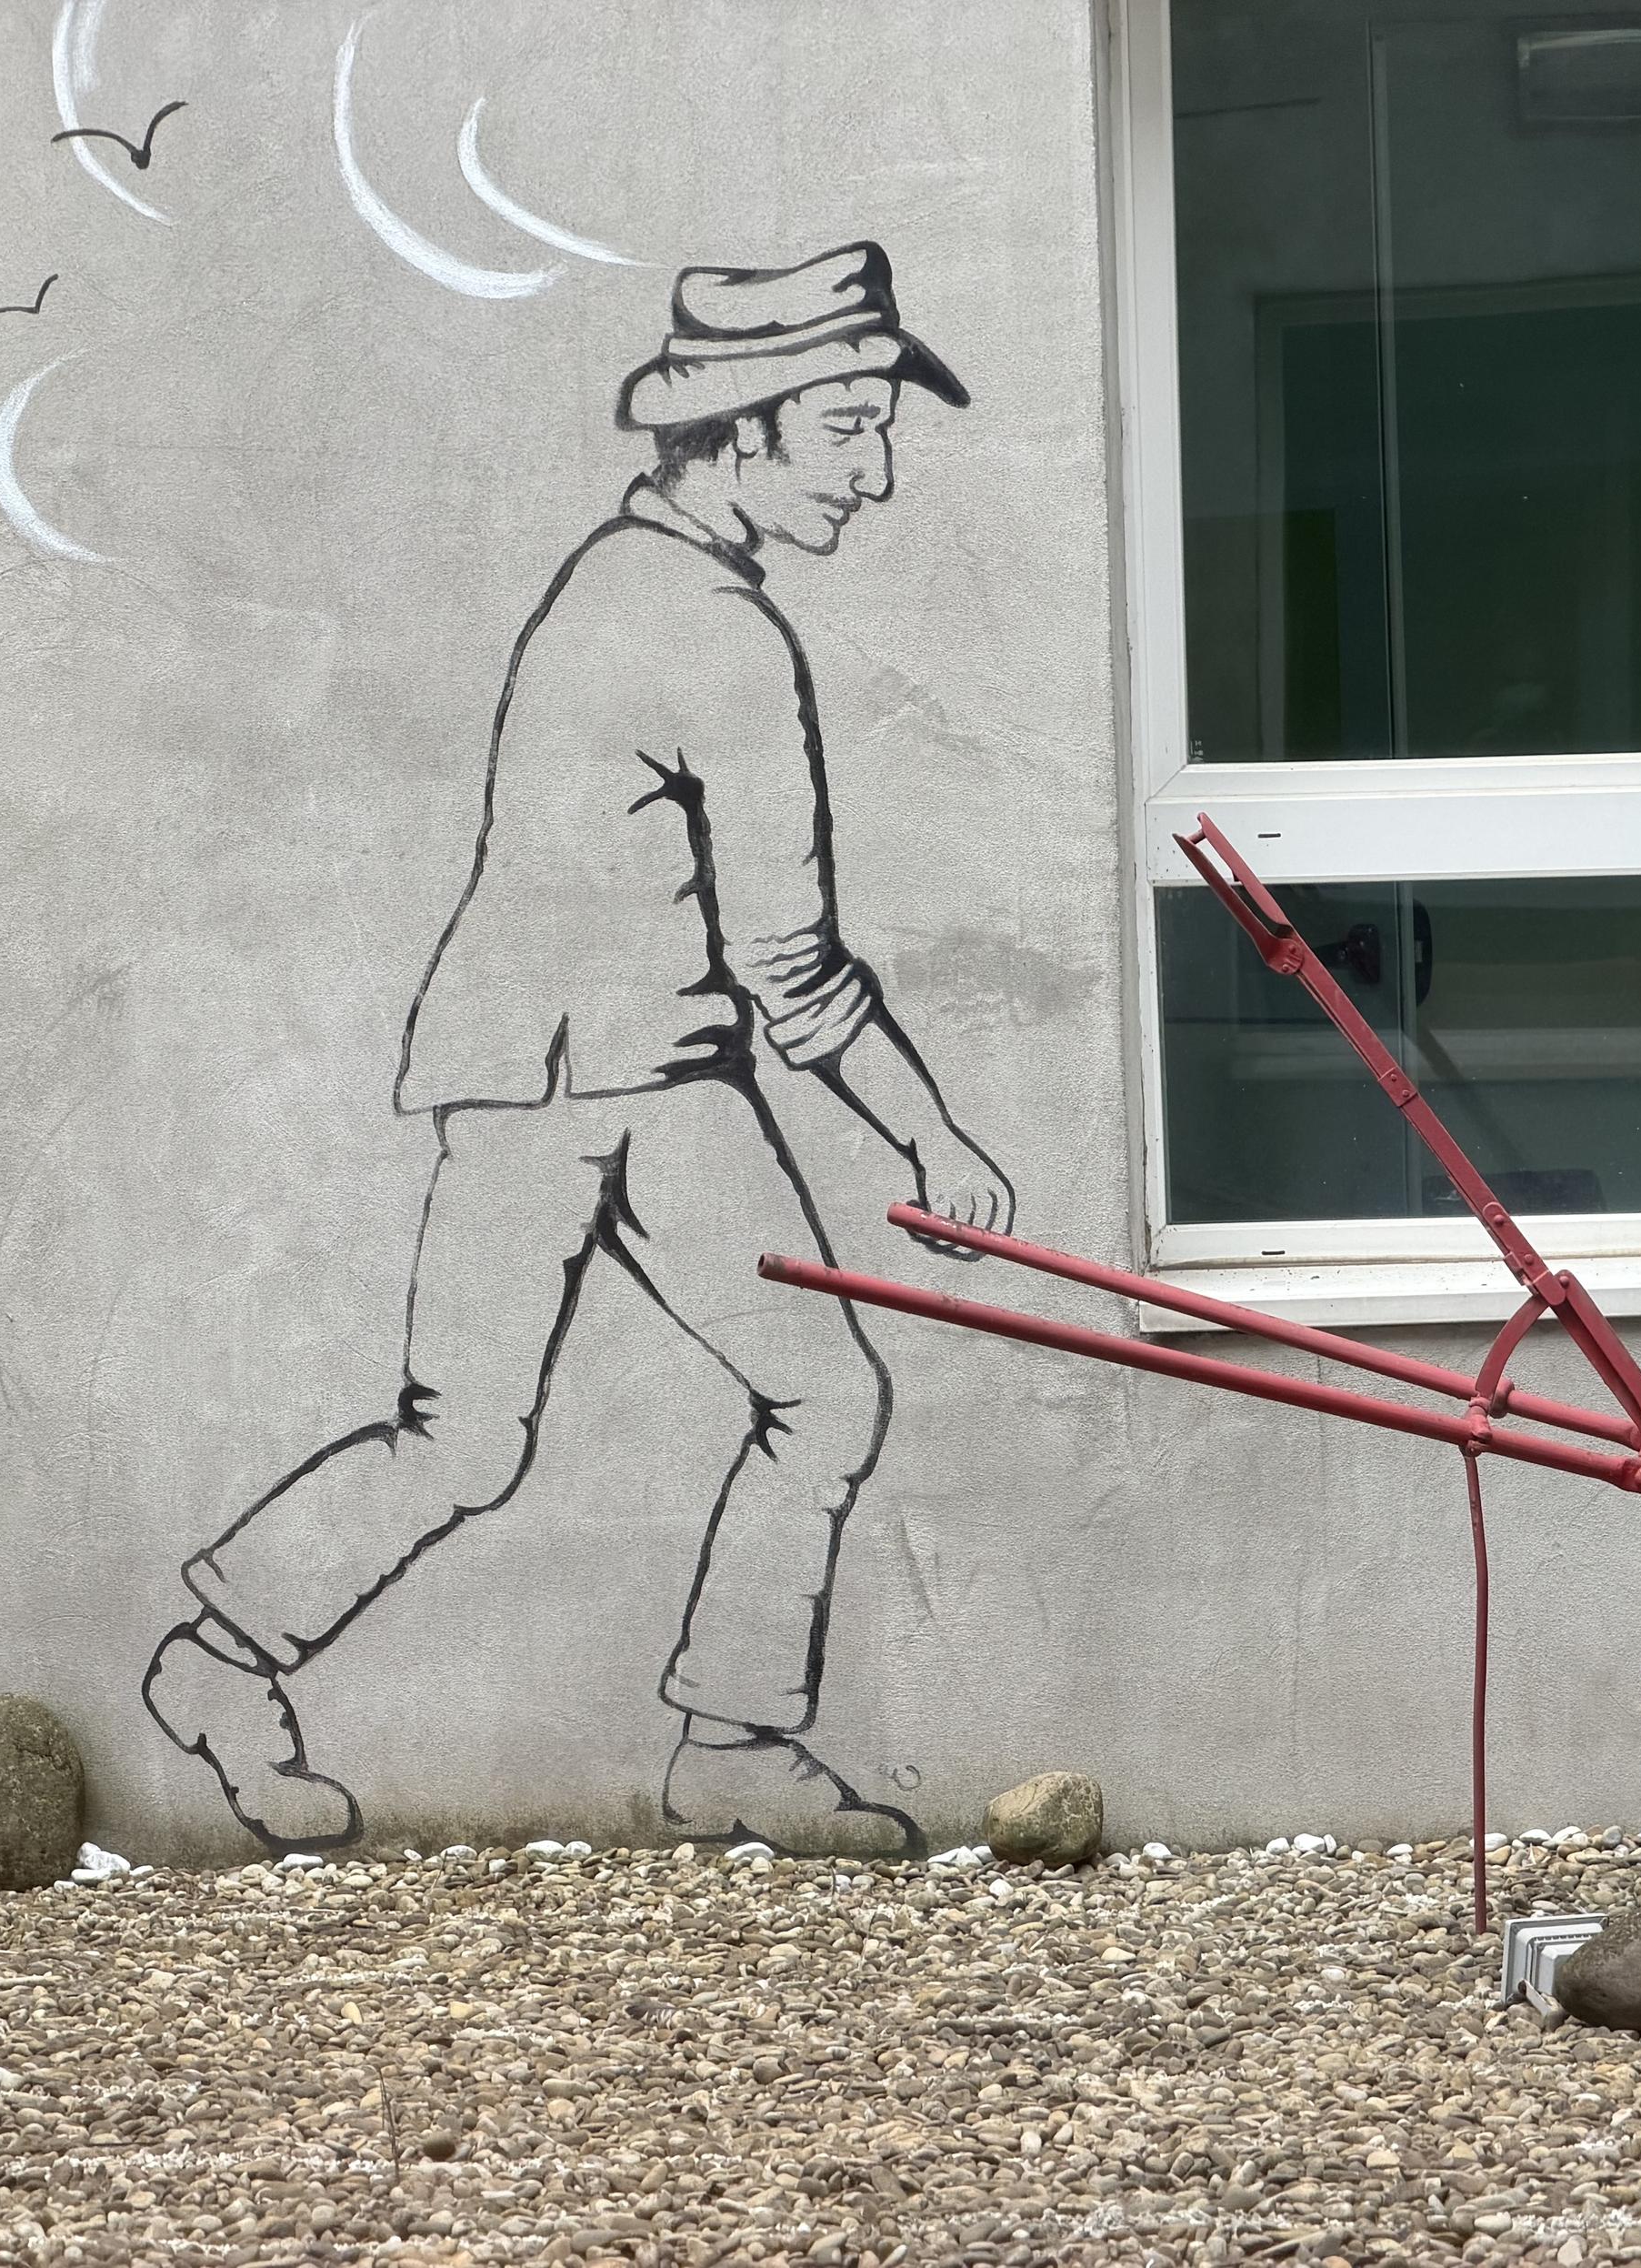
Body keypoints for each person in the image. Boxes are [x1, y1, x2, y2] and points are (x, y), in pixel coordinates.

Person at [142, 242, 1009, 1858]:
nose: (876, 473)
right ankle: (701, 1739)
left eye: (880, 429)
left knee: (571, 1424)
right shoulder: (711, 632)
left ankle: (714, 1741)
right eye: (845, 428)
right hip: (595, 1092)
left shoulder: (624, 577)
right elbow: (789, 962)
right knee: (589, 1427)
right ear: (738, 431)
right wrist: (931, 1138)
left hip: (599, 1080)